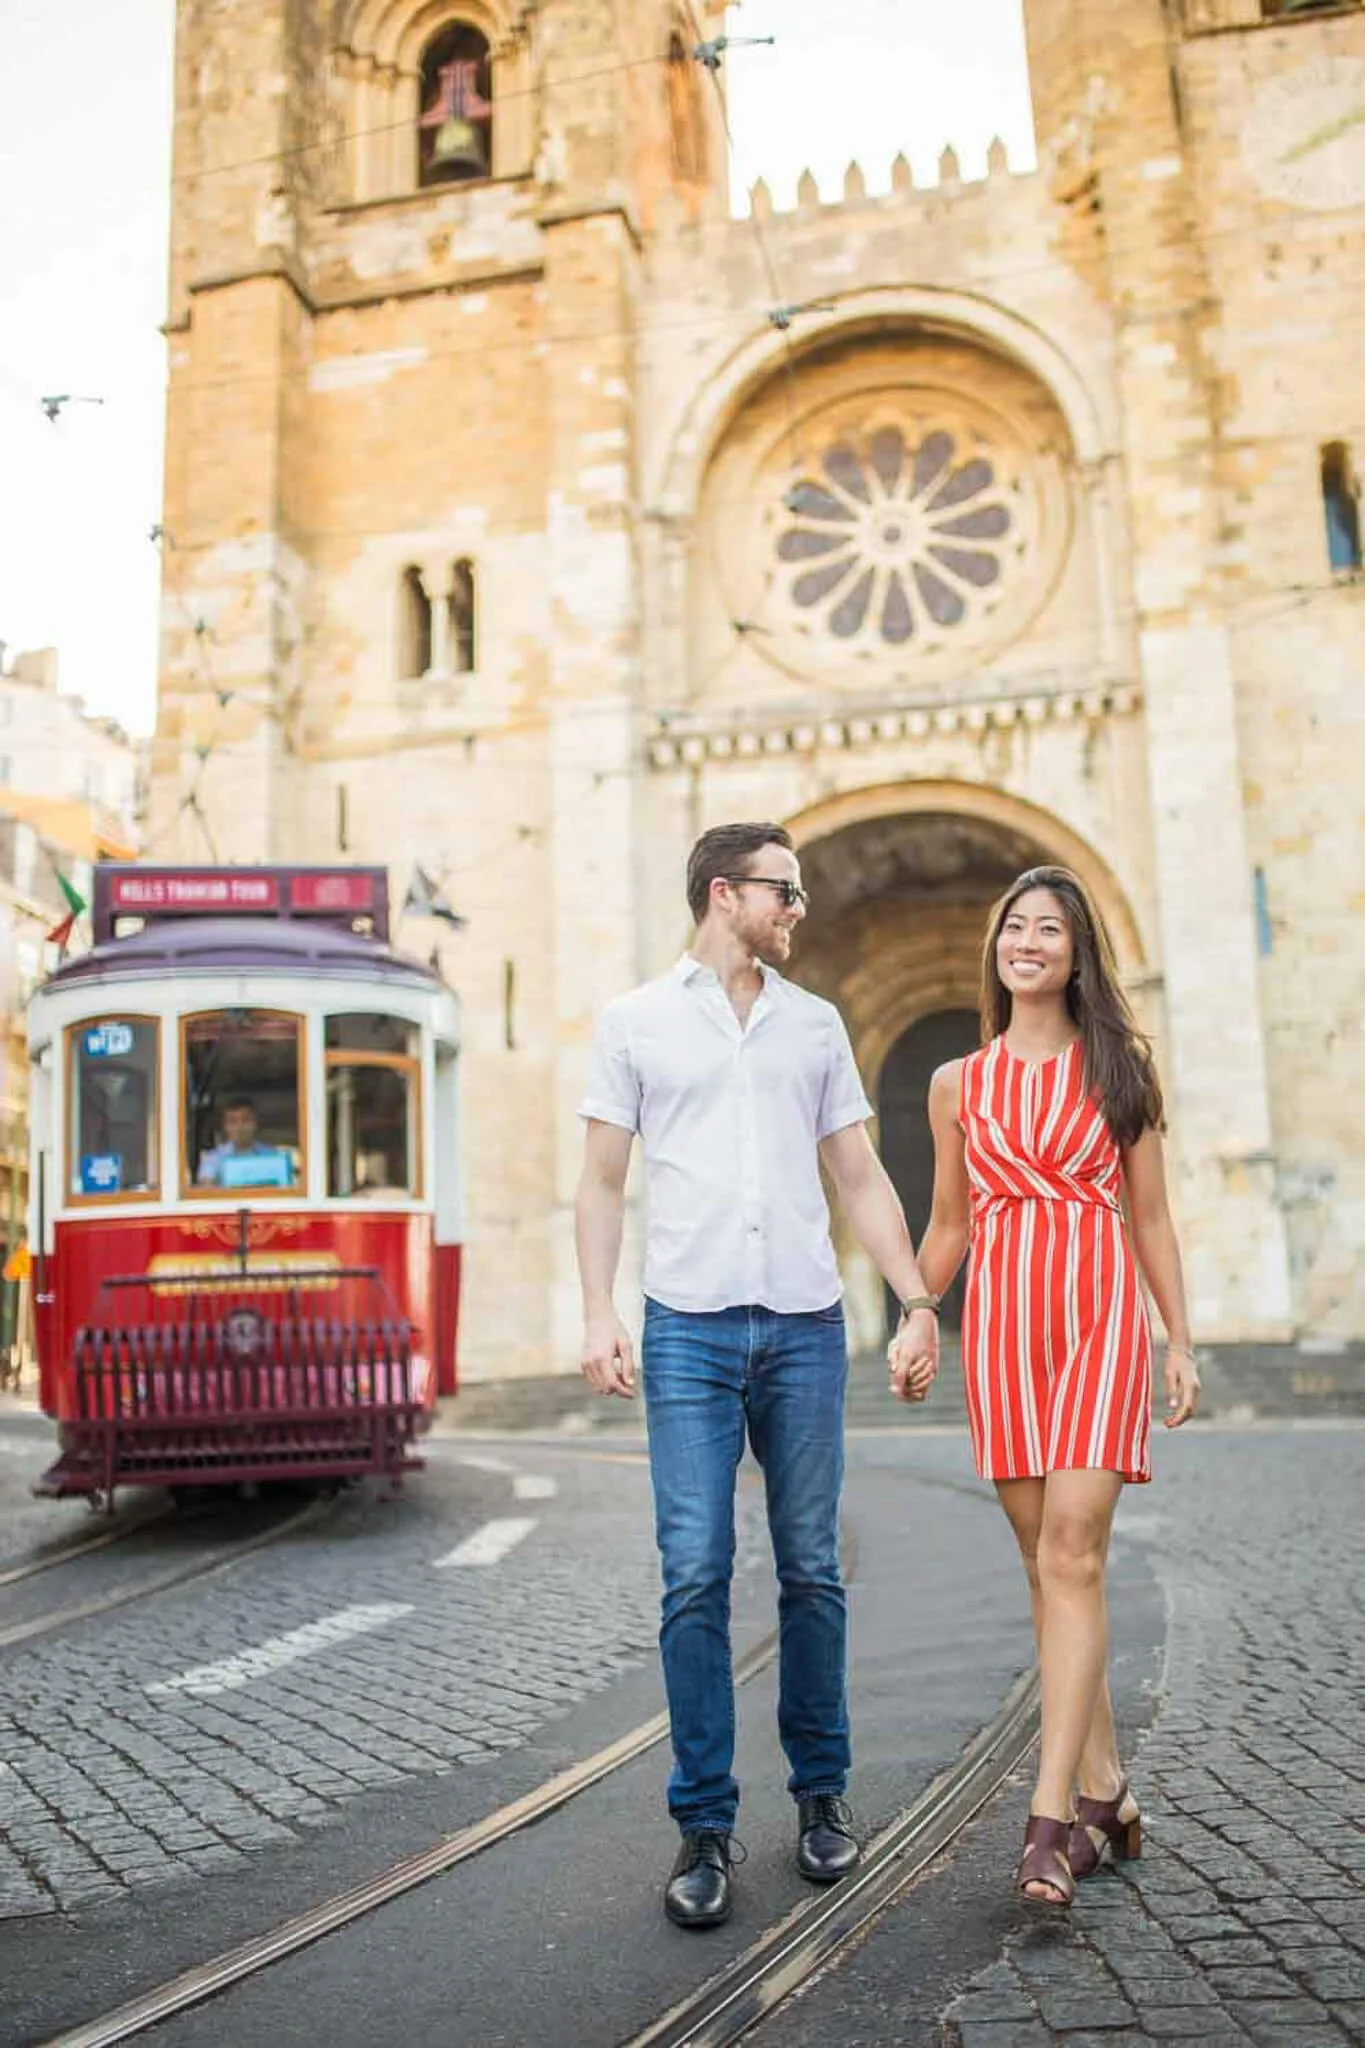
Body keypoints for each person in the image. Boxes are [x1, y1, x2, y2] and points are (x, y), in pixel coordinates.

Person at [575, 821, 939, 1931]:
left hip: (803, 1322)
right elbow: (598, 1182)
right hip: (684, 1325)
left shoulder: (815, 1023)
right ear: (724, 893)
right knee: (693, 1569)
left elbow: (862, 1174)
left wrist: (916, 1297)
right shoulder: (633, 1022)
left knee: (813, 1565)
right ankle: (703, 1822)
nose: (800, 907)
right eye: (785, 889)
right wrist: (599, 1311)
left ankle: (822, 1795)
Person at [896, 864, 1200, 1907]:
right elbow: (949, 1224)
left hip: (1100, 1322)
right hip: (1006, 1333)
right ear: (998, 947)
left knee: (1072, 1551)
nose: (1030, 940)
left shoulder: (1120, 1067)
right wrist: (914, 1308)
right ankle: (1111, 1790)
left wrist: (1180, 1338)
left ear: (1077, 955)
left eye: (1051, 929)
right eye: (1015, 925)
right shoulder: (956, 1084)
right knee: (1047, 1569)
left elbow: (1151, 1216)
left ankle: (1049, 1820)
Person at [195, 1096, 293, 1187]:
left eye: (246, 1120)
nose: (240, 1127)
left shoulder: (273, 1155)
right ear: (225, 1127)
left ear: (255, 1124)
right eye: (233, 1121)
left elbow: (284, 1189)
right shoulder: (213, 1159)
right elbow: (207, 1189)